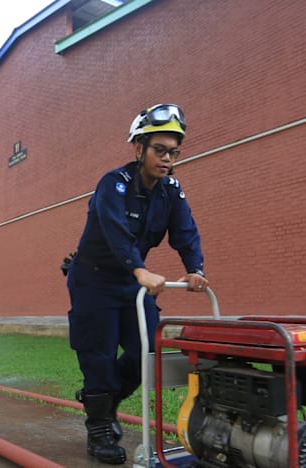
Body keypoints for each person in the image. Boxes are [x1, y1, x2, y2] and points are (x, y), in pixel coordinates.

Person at [66, 103, 208, 464]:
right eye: (159, 150)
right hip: (94, 280)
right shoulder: (113, 184)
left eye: (173, 152)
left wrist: (195, 268)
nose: (167, 159)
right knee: (98, 354)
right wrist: (139, 269)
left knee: (148, 352)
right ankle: (99, 432)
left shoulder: (171, 191)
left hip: (132, 283)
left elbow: (185, 231)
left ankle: (107, 400)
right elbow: (115, 231)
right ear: (138, 149)